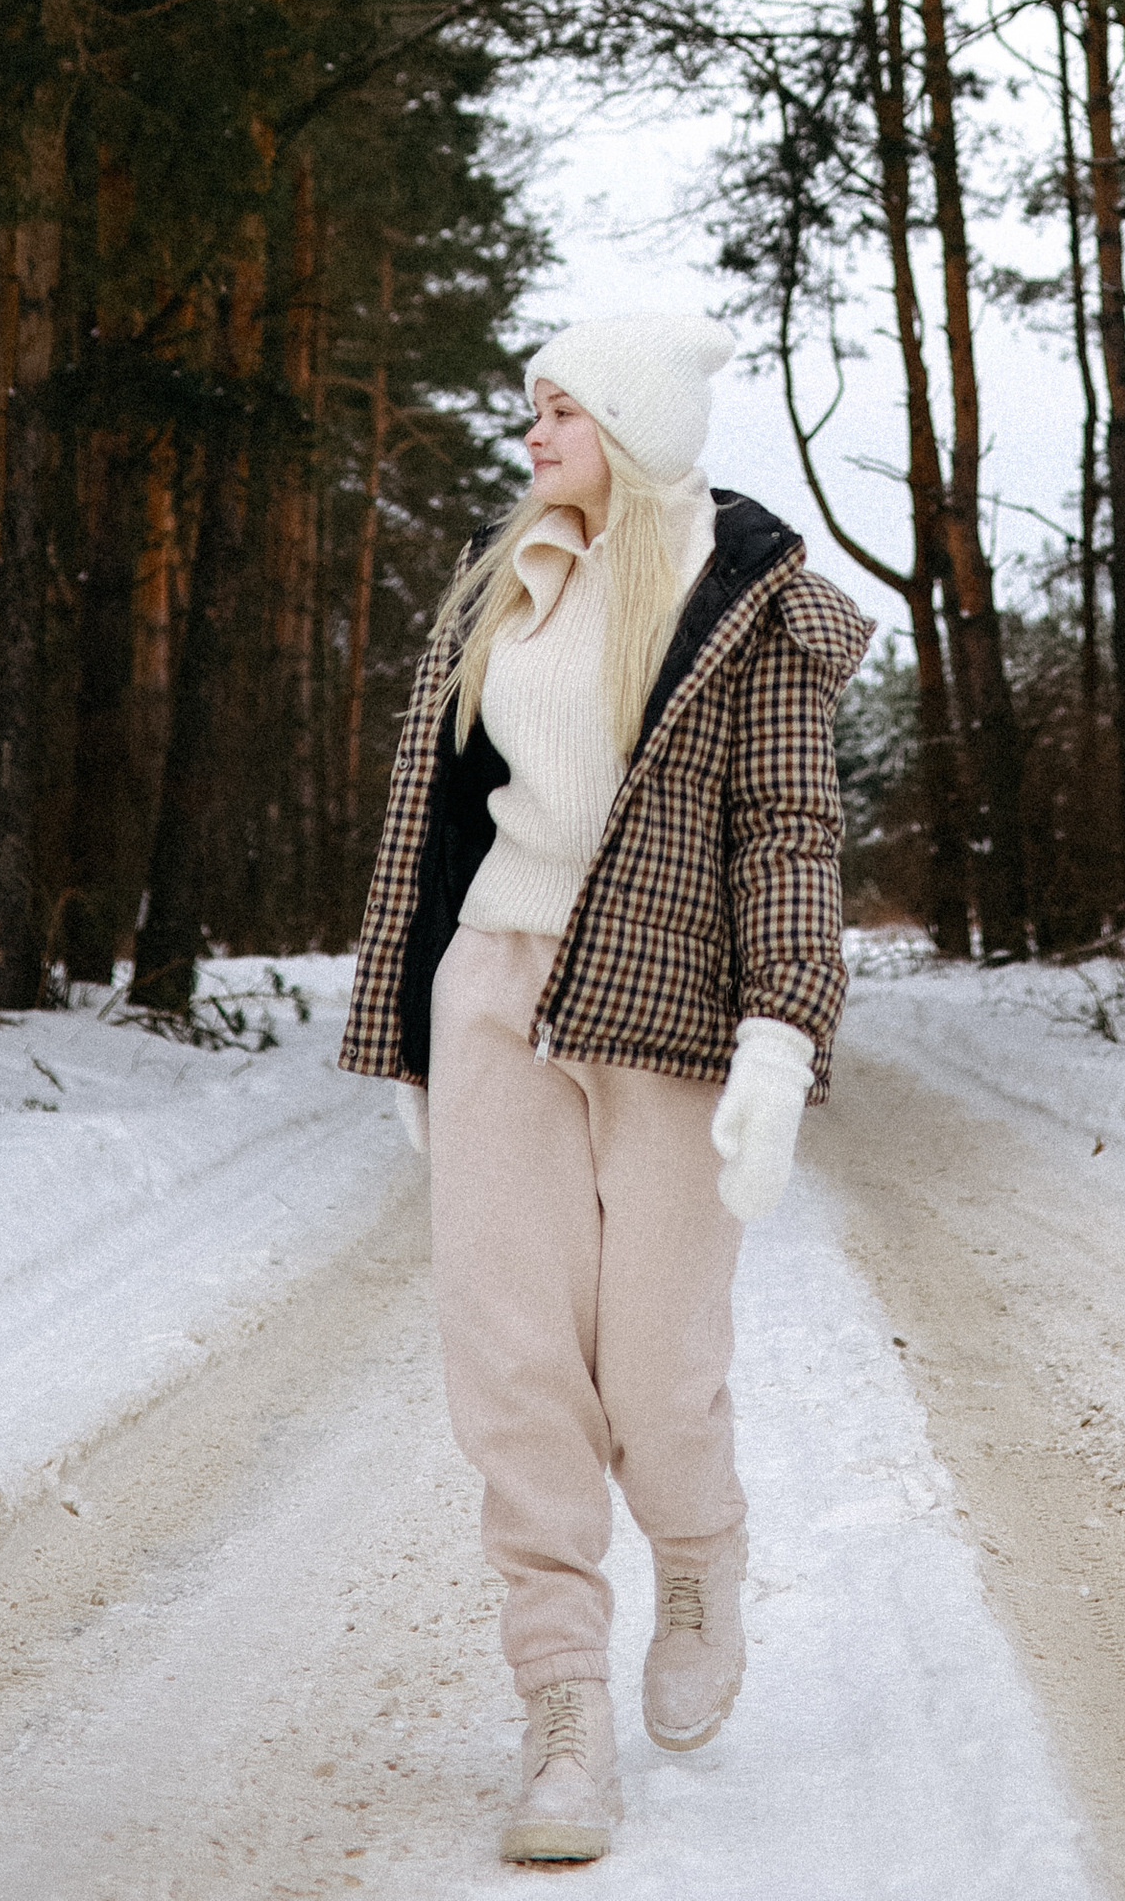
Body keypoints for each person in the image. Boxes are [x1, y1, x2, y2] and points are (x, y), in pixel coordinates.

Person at [340, 310, 870, 1866]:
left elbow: (789, 833)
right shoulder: (510, 589)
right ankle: (562, 1711)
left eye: (560, 410)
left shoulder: (749, 608)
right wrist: (421, 1028)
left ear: (633, 425)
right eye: (530, 411)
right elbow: (437, 821)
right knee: (511, 1369)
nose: (532, 436)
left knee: (653, 1372)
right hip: (498, 990)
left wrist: (783, 1034)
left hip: (673, 1017)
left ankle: (697, 1558)